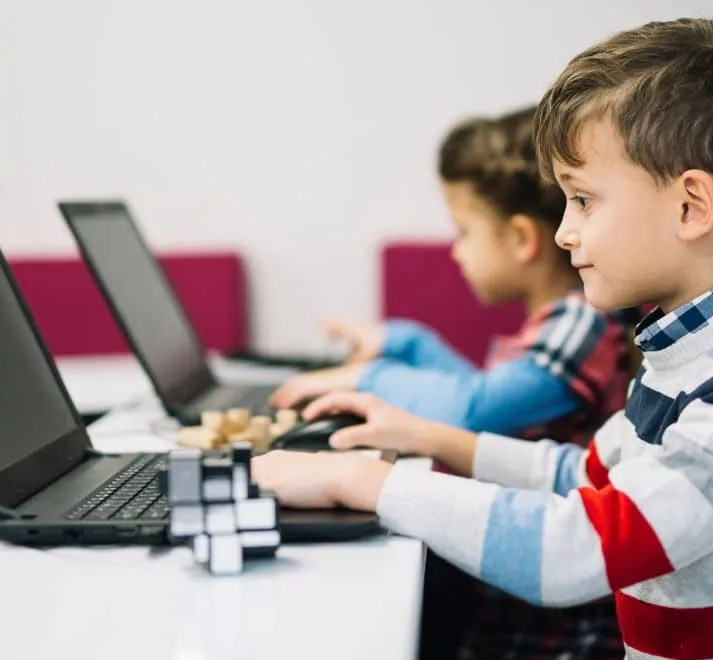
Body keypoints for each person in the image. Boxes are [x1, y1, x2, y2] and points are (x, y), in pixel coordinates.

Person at [254, 18, 713, 660]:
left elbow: (574, 551)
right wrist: (430, 439)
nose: (564, 230)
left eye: (582, 199)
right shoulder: (692, 349)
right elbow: (585, 475)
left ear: (691, 205)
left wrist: (368, 483)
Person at [268, 107, 631, 446]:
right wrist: (406, 343)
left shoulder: (582, 323)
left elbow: (474, 408)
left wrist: (364, 378)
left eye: (464, 232)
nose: (456, 251)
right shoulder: (561, 321)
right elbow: (477, 390)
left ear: (521, 238)